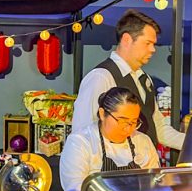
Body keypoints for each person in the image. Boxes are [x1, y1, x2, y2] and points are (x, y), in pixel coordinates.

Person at [71, 9, 184, 150]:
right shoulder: (101, 77)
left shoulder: (145, 80)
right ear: (126, 40)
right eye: (148, 43)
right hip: (115, 164)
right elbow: (82, 134)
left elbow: (159, 129)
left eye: (153, 44)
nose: (153, 49)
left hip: (146, 162)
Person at [57, 87, 159, 191]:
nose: (128, 129)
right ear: (102, 113)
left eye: (134, 122)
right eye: (122, 121)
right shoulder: (80, 142)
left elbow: (155, 186)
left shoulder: (142, 141)